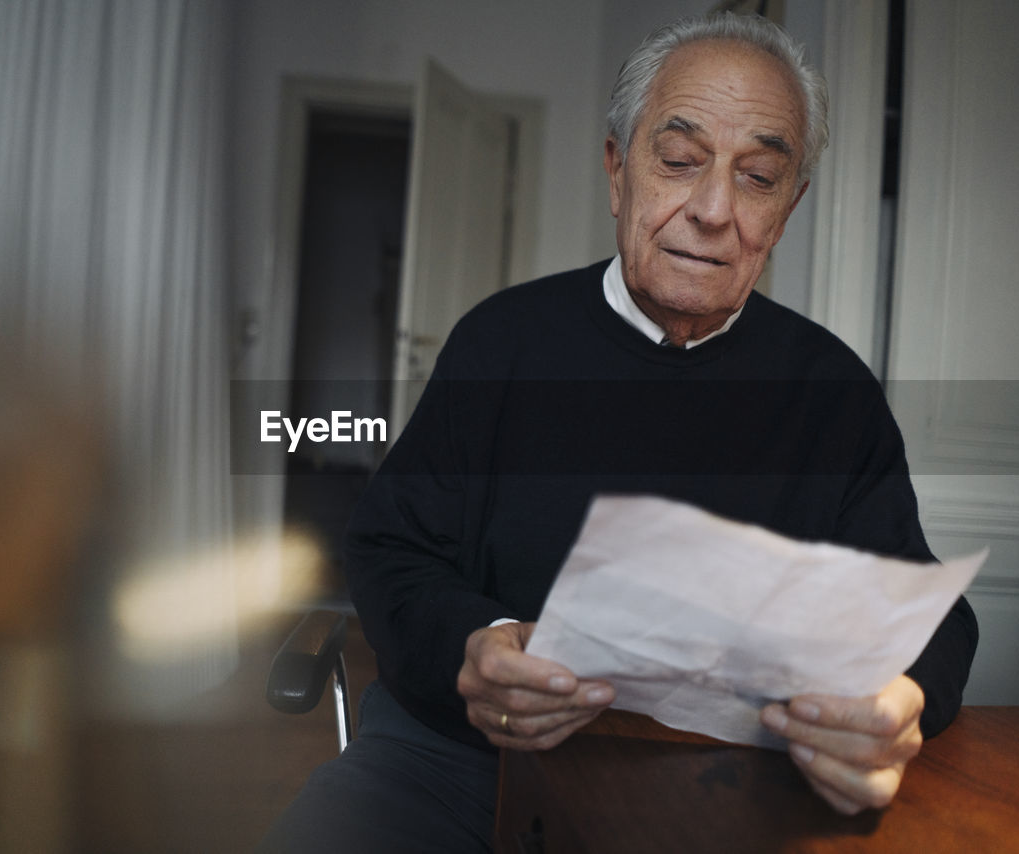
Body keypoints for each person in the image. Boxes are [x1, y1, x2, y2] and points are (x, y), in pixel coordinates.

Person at [260, 12, 977, 852]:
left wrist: (899, 698)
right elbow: (389, 548)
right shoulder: (502, 341)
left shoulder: (833, 392)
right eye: (679, 162)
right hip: (459, 761)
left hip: (715, 780)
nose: (713, 210)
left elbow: (929, 616)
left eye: (757, 178)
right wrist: (478, 644)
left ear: (787, 209)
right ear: (616, 169)